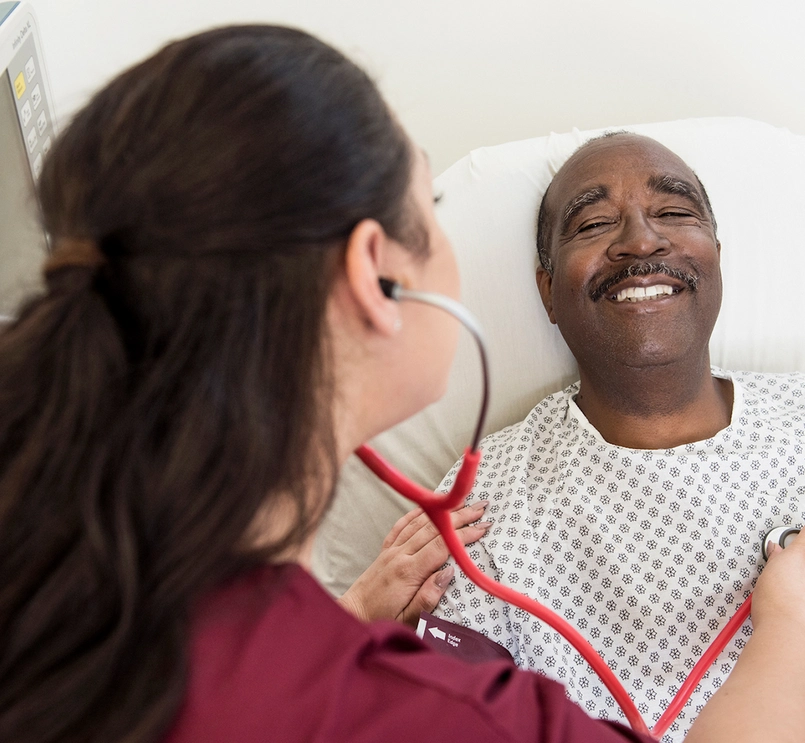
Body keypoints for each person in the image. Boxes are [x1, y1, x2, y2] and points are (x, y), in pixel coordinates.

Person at [0, 26, 803, 743]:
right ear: (374, 277)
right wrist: (789, 624)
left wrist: (341, 630)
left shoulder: (69, 598)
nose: (639, 241)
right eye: (434, 205)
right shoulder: (446, 702)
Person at [434, 132, 805, 741]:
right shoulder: (483, 498)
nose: (640, 240)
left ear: (715, 256)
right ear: (548, 290)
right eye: (594, 223)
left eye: (675, 213)